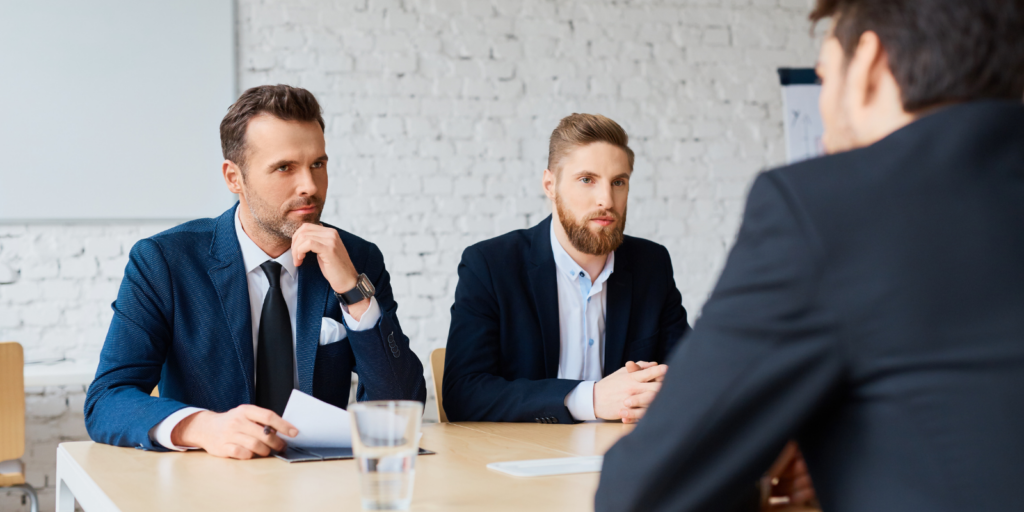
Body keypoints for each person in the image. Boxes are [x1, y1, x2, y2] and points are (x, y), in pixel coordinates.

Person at [595, 0, 1024, 510]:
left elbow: (645, 493)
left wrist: (751, 466)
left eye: (823, 78)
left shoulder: (828, 207)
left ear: (867, 62)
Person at [84, 85, 426, 459]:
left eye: (318, 164)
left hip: (322, 485)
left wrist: (353, 292)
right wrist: (202, 426)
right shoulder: (164, 262)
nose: (310, 187)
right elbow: (107, 399)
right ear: (234, 178)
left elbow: (402, 410)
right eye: (284, 168)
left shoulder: (356, 259)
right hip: (209, 483)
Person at [442, 113, 691, 424]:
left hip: (623, 457)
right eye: (587, 179)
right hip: (524, 460)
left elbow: (691, 379)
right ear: (550, 184)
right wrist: (591, 399)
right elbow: (463, 394)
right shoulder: (491, 265)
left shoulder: (651, 265)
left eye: (618, 182)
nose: (606, 200)